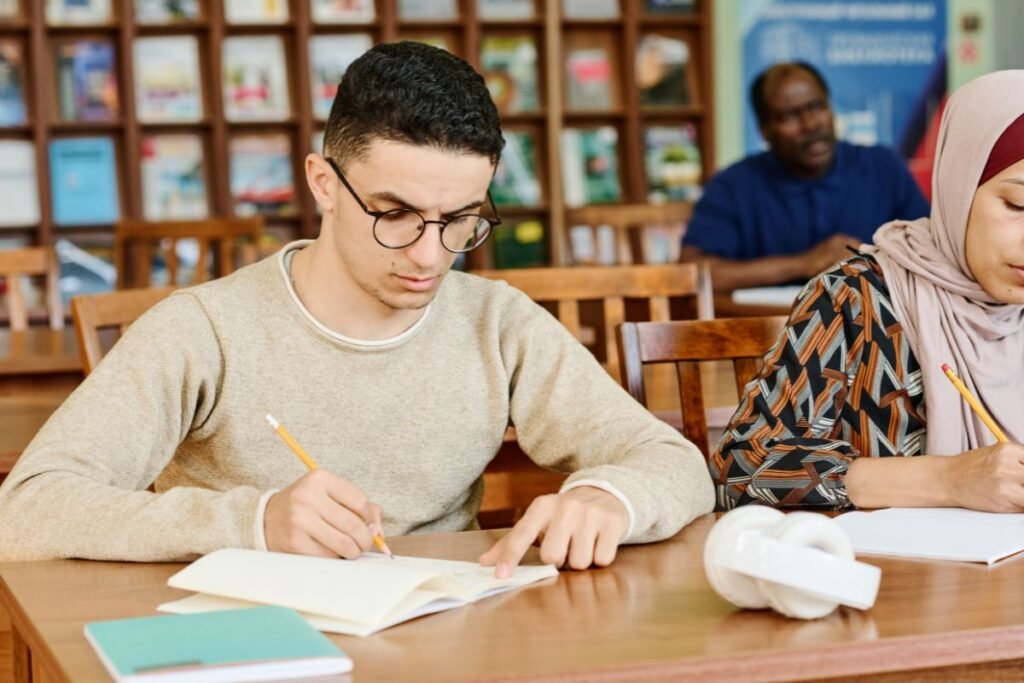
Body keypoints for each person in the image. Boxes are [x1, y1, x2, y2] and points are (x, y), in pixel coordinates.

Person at [0, 42, 714, 570]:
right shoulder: (205, 330)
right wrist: (253, 520)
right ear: (324, 182)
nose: (431, 255)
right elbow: (26, 511)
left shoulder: (497, 322)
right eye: (395, 213)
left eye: (461, 219)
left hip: (445, 641)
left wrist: (611, 498)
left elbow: (672, 461)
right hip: (257, 647)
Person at [709, 70, 1024, 512]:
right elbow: (740, 469)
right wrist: (949, 479)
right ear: (959, 187)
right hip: (892, 577)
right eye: (1018, 205)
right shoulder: (854, 299)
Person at [681, 62, 930, 292]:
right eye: (790, 116)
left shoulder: (882, 167)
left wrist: (871, 262)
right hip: (767, 331)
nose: (810, 124)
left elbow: (929, 252)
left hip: (874, 329)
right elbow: (693, 272)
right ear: (764, 131)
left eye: (817, 107)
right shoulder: (732, 186)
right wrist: (804, 263)